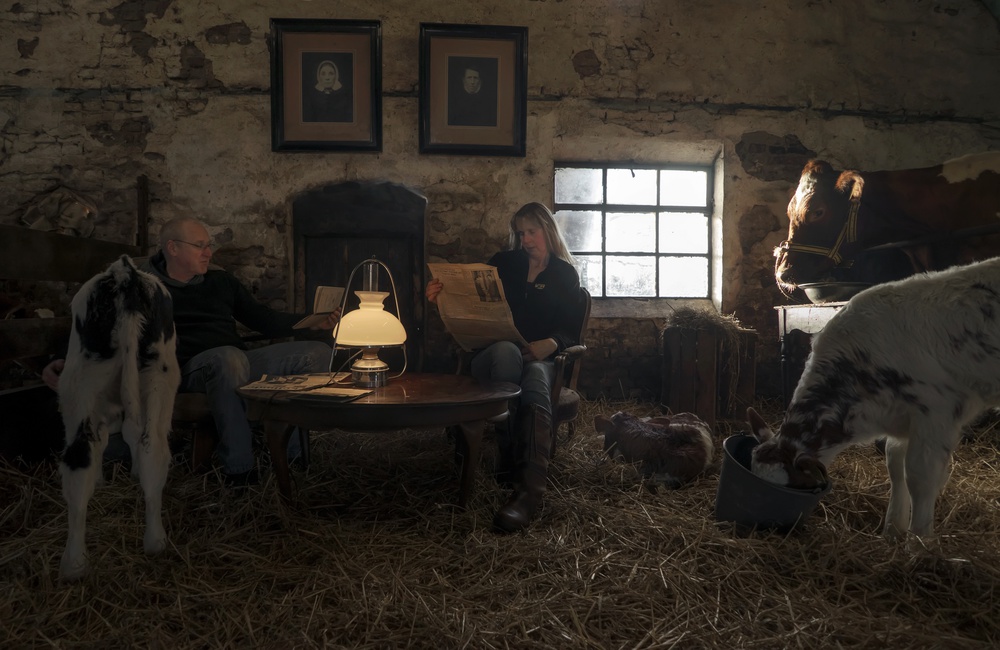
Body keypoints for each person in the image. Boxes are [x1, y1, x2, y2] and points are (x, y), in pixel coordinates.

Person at [44, 217, 340, 487]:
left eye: (208, 245)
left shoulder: (221, 281)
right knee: (227, 357)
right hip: (187, 369)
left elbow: (264, 319)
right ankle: (240, 471)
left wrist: (312, 321)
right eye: (200, 246)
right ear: (173, 248)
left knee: (316, 352)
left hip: (236, 362)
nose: (208, 253)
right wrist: (63, 360)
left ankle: (294, 459)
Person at [425, 202, 581, 533]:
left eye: (531, 232)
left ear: (548, 230)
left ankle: (528, 491)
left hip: (539, 359)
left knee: (536, 372)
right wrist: (442, 295)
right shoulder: (503, 263)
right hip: (492, 356)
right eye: (520, 233)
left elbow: (571, 331)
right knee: (507, 352)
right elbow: (469, 299)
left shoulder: (564, 274)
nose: (525, 240)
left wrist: (551, 343)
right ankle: (509, 456)